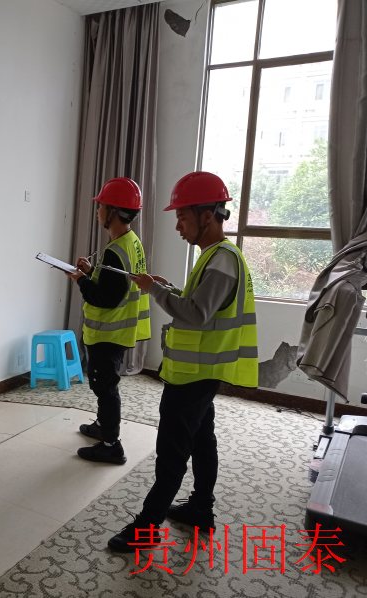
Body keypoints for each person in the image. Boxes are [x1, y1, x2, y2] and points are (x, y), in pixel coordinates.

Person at [107, 171, 258, 552]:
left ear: (207, 216)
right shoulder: (217, 257)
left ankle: (146, 527)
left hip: (193, 376)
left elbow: (195, 314)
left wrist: (155, 290)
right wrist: (167, 287)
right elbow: (201, 304)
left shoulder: (222, 260)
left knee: (171, 453)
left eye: (182, 217)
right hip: (199, 372)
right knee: (202, 440)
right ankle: (201, 508)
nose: (178, 226)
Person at [66, 178, 151, 465]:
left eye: (101, 206)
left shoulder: (116, 250)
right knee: (104, 384)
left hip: (108, 333)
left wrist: (81, 280)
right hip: (119, 330)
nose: (97, 211)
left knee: (105, 387)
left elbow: (105, 298)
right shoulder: (129, 242)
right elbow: (115, 284)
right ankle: (103, 426)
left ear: (113, 211)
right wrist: (92, 272)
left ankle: (112, 445)